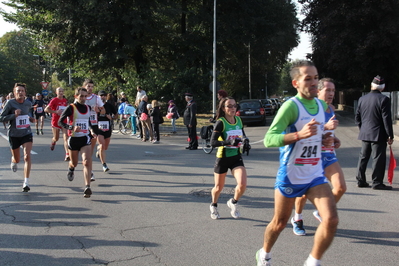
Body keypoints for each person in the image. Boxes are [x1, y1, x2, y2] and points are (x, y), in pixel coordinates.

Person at [256, 60, 338, 266]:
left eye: (316, 78)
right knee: (280, 223)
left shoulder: (321, 106)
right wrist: (298, 135)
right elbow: (269, 139)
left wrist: (328, 139)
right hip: (291, 174)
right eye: (308, 79)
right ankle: (264, 254)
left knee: (331, 219)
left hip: (314, 174)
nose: (313, 83)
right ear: (296, 83)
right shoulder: (291, 107)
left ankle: (312, 262)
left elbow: (318, 136)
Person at [291, 78, 346, 236]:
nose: (331, 94)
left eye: (333, 91)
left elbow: (329, 132)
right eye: (328, 90)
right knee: (303, 192)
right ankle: (297, 218)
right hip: (310, 155)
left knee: (340, 187)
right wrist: (325, 127)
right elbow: (306, 131)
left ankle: (321, 212)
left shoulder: (331, 108)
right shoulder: (311, 108)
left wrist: (334, 139)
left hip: (328, 154)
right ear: (319, 91)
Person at [209, 96, 248, 219]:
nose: (232, 108)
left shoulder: (238, 120)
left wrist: (246, 142)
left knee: (242, 184)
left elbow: (243, 135)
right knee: (218, 187)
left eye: (234, 105)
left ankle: (233, 202)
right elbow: (213, 142)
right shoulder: (221, 122)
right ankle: (214, 205)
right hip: (223, 158)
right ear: (223, 108)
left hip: (236, 156)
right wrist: (228, 142)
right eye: (229, 106)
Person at [355, 75, 394, 190]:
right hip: (379, 134)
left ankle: (360, 180)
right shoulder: (384, 99)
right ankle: (377, 182)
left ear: (371, 85)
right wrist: (390, 135)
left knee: (363, 157)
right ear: (382, 88)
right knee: (378, 158)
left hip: (365, 133)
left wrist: (362, 128)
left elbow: (357, 117)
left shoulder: (362, 99)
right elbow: (386, 119)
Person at [58, 87, 95, 198]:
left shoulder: (88, 108)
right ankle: (71, 168)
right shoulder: (71, 108)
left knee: (87, 162)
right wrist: (71, 127)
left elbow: (88, 121)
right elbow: (61, 121)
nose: (83, 98)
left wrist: (92, 130)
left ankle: (87, 187)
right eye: (81, 96)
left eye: (85, 96)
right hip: (73, 139)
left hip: (85, 138)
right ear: (76, 96)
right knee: (75, 162)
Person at [0, 83, 35, 192]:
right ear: (14, 93)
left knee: (27, 156)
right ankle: (13, 161)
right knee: (17, 158)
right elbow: (1, 118)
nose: (20, 93)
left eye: (22, 91)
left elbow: (27, 114)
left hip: (26, 133)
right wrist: (13, 116)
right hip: (14, 134)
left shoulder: (28, 103)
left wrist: (30, 118)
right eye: (18, 91)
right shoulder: (10, 103)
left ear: (25, 93)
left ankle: (26, 181)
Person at [83, 79, 105, 181]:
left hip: (94, 125)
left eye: (91, 86)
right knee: (83, 152)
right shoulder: (80, 97)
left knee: (89, 151)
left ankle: (90, 172)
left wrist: (99, 110)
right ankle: (72, 167)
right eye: (88, 86)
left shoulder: (96, 98)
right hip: (83, 126)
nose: (90, 88)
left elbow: (103, 110)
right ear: (84, 87)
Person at [45, 87, 70, 161]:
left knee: (66, 138)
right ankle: (53, 141)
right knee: (56, 138)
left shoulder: (65, 101)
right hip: (56, 121)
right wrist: (56, 112)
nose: (61, 93)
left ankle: (67, 154)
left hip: (64, 121)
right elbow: (46, 109)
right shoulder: (54, 100)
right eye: (59, 91)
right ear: (56, 92)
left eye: (62, 91)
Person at [96, 91, 117, 172]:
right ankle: (104, 165)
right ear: (98, 97)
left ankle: (99, 150)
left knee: (105, 147)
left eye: (104, 95)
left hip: (107, 128)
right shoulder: (95, 106)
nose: (103, 97)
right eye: (101, 96)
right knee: (102, 146)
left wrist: (111, 117)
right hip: (98, 128)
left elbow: (116, 115)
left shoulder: (109, 105)